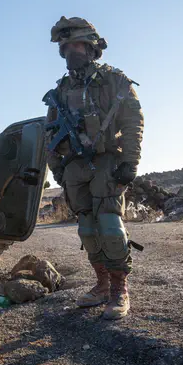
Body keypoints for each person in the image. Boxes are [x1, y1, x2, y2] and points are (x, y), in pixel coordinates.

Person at [45, 17, 144, 320]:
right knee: (88, 230)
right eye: (65, 47)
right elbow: (50, 134)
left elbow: (132, 123)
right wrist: (57, 169)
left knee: (111, 229)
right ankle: (101, 284)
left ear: (91, 47)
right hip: (75, 170)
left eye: (75, 44)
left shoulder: (115, 81)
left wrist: (130, 162)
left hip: (107, 164)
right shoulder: (60, 91)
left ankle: (119, 289)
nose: (70, 51)